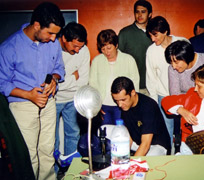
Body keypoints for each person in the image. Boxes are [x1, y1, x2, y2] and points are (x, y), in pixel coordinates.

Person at [0, 2, 65, 179]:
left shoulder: (53, 43)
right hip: (23, 105)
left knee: (47, 151)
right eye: (50, 33)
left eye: (56, 34)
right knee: (28, 155)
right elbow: (2, 82)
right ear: (36, 25)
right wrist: (28, 95)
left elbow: (59, 68)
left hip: (49, 102)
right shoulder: (9, 48)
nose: (53, 39)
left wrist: (54, 78)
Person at [146, 16, 189, 144]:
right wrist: (154, 102)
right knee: (166, 133)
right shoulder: (151, 51)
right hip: (163, 97)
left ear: (165, 31)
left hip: (185, 96)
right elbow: (151, 78)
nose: (153, 39)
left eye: (155, 35)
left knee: (187, 130)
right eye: (150, 36)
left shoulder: (183, 42)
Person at [54, 22, 90, 174]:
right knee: (51, 139)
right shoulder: (51, 47)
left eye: (80, 47)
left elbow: (83, 80)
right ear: (63, 39)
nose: (78, 50)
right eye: (74, 46)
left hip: (73, 99)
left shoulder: (83, 50)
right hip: (52, 99)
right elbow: (49, 84)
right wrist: (72, 78)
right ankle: (54, 173)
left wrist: (63, 80)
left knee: (73, 135)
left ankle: (70, 172)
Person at [89, 29, 139, 125]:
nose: (106, 52)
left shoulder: (128, 60)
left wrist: (131, 104)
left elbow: (135, 83)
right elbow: (92, 84)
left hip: (123, 105)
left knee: (122, 133)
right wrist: (96, 105)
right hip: (103, 105)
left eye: (109, 48)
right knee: (105, 134)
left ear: (116, 45)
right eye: (103, 49)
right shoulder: (96, 61)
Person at [111, 76, 171, 156]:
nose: (120, 104)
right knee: (105, 130)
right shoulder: (125, 105)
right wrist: (122, 157)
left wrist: (133, 164)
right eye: (116, 101)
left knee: (149, 158)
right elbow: (128, 136)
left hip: (156, 145)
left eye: (123, 100)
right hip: (138, 142)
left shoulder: (148, 106)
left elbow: (146, 144)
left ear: (132, 93)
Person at [118, 0, 152, 95]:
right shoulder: (125, 33)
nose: (140, 15)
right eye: (137, 12)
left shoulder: (155, 33)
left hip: (152, 86)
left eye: (143, 12)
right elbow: (118, 59)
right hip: (131, 87)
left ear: (150, 14)